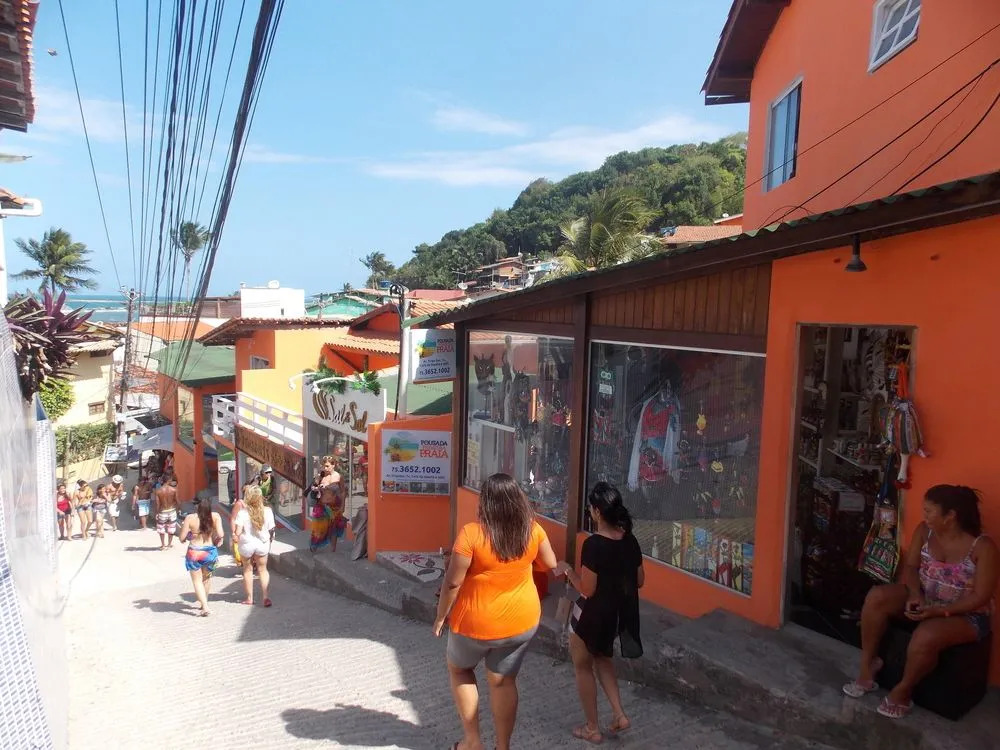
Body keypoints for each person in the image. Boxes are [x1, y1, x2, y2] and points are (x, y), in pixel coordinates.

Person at [843, 485, 998, 719]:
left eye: (929, 511)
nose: (924, 515)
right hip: (926, 597)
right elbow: (912, 567)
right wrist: (915, 594)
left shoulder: (983, 547)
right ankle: (868, 666)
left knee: (926, 635)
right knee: (877, 597)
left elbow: (981, 597)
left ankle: (903, 691)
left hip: (967, 614)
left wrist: (940, 611)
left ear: (950, 516)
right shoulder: (925, 531)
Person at [433, 473, 558, 750]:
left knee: (460, 670)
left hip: (474, 623)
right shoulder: (533, 530)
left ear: (485, 503)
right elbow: (549, 563)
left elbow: (452, 582)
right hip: (521, 622)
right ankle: (503, 747)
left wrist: (441, 616)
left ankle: (472, 742)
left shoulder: (471, 534)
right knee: (502, 681)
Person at [557, 482, 644, 743]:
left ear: (596, 511)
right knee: (603, 659)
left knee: (583, 667)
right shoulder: (630, 540)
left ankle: (592, 728)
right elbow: (639, 580)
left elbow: (587, 589)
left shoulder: (593, 544)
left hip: (590, 615)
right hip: (615, 614)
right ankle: (619, 714)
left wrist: (568, 570)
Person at [176, 500, 224, 616]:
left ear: (197, 507)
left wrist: (188, 534)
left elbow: (181, 538)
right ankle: (204, 603)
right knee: (206, 579)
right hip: (209, 551)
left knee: (197, 581)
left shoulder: (190, 518)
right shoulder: (215, 516)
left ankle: (205, 606)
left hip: (194, 552)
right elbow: (221, 534)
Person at [233, 486, 276, 606]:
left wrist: (235, 536)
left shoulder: (242, 513)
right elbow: (271, 529)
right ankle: (265, 597)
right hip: (262, 543)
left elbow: (238, 532)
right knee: (263, 570)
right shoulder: (268, 511)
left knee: (247, 570)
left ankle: (249, 598)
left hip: (246, 544)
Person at [154, 478, 180, 550]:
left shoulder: (158, 491)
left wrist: (157, 513)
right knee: (171, 528)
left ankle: (163, 545)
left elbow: (157, 504)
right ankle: (169, 544)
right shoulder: (174, 490)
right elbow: (177, 501)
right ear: (168, 481)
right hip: (172, 510)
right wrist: (178, 509)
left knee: (161, 528)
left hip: (162, 511)